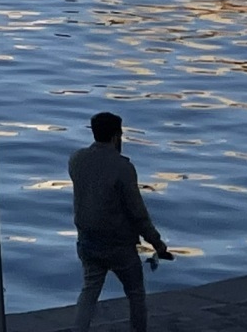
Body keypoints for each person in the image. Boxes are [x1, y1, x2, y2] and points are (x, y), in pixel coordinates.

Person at [71, 110, 168, 332]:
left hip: (87, 241)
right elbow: (137, 213)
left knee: (89, 291)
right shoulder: (123, 168)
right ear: (117, 136)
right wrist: (157, 243)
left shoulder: (76, 160)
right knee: (135, 293)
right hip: (118, 245)